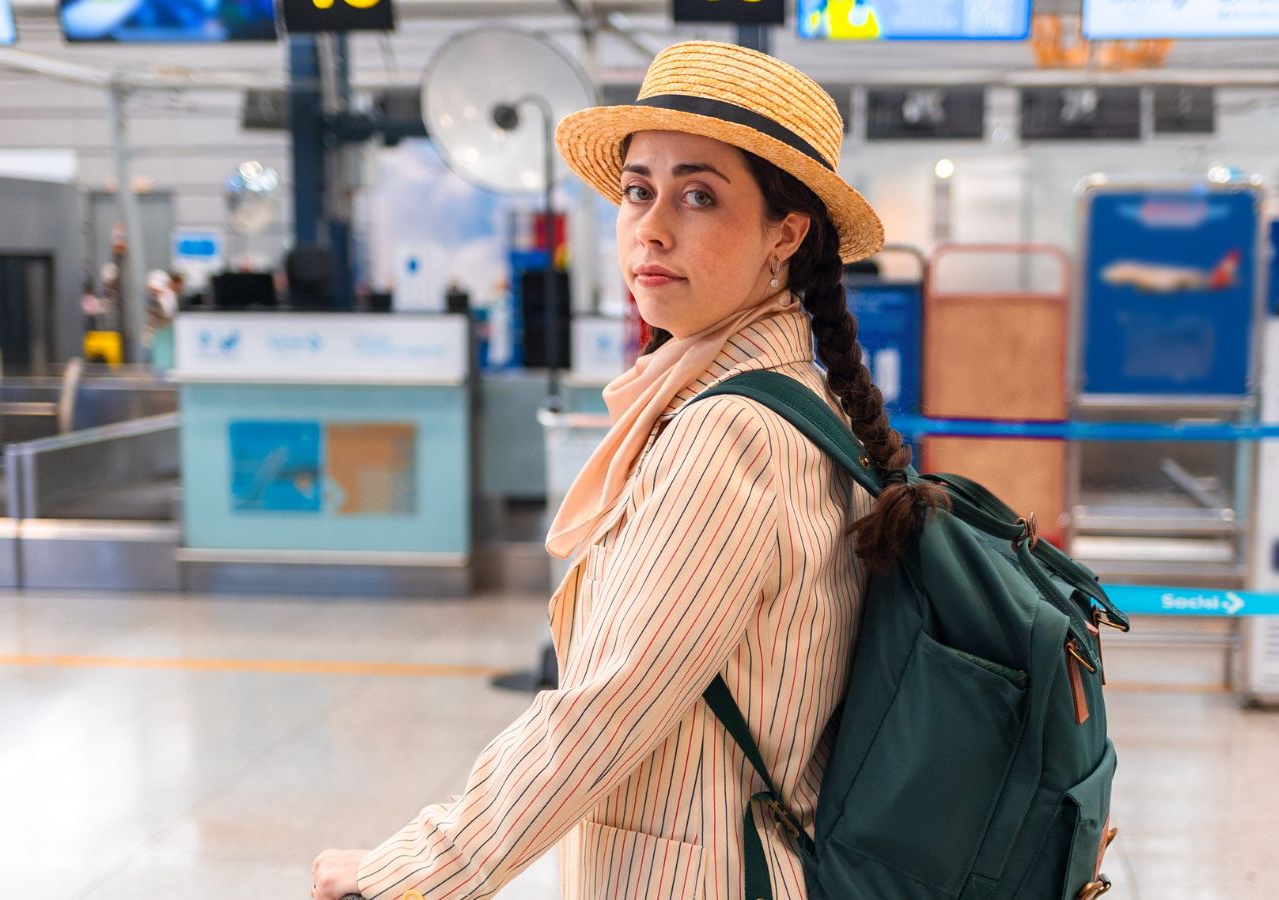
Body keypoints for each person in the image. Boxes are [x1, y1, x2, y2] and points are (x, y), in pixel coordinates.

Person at [312, 41, 944, 900]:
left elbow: (605, 710)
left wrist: (414, 869)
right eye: (639, 190)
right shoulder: (796, 397)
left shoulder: (727, 433)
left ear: (785, 234)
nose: (651, 224)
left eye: (699, 195)